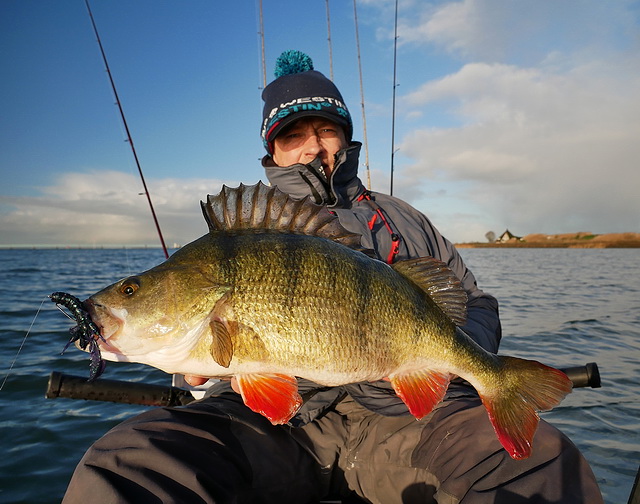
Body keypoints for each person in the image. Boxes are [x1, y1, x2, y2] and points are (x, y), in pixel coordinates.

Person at [63, 50, 603, 504]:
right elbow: (206, 362)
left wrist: (454, 358)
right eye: (293, 134)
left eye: (326, 129)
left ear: (344, 137)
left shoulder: (406, 219)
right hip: (277, 429)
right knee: (126, 466)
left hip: (406, 420)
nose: (313, 145)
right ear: (272, 151)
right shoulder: (230, 241)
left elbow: (476, 303)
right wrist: (193, 378)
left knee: (543, 468)